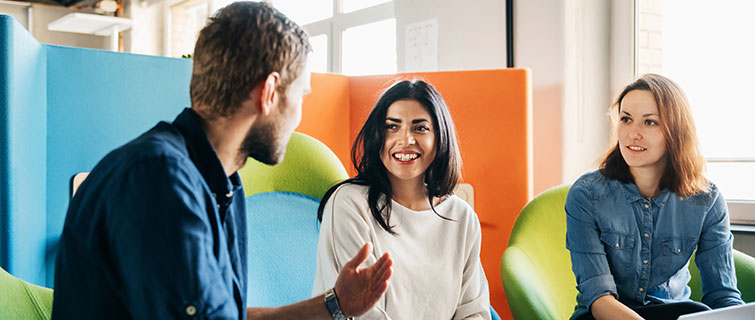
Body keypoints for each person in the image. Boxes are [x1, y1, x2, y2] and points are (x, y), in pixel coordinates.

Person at [52, 2, 393, 319]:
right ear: (269, 92)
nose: (299, 116)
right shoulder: (158, 180)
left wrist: (335, 305)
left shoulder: (221, 184)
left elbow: (219, 313)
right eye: (300, 95)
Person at [565, 74, 744, 320]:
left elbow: (723, 296)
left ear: (676, 131)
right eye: (626, 119)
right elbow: (598, 298)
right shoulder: (586, 195)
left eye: (649, 122)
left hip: (675, 313)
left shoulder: (707, 200)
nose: (632, 134)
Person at [312, 80, 491, 319]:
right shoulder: (348, 204)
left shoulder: (461, 217)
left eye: (420, 128)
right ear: (377, 135)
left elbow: (474, 311)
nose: (405, 139)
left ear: (439, 138)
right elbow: (361, 313)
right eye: (392, 127)